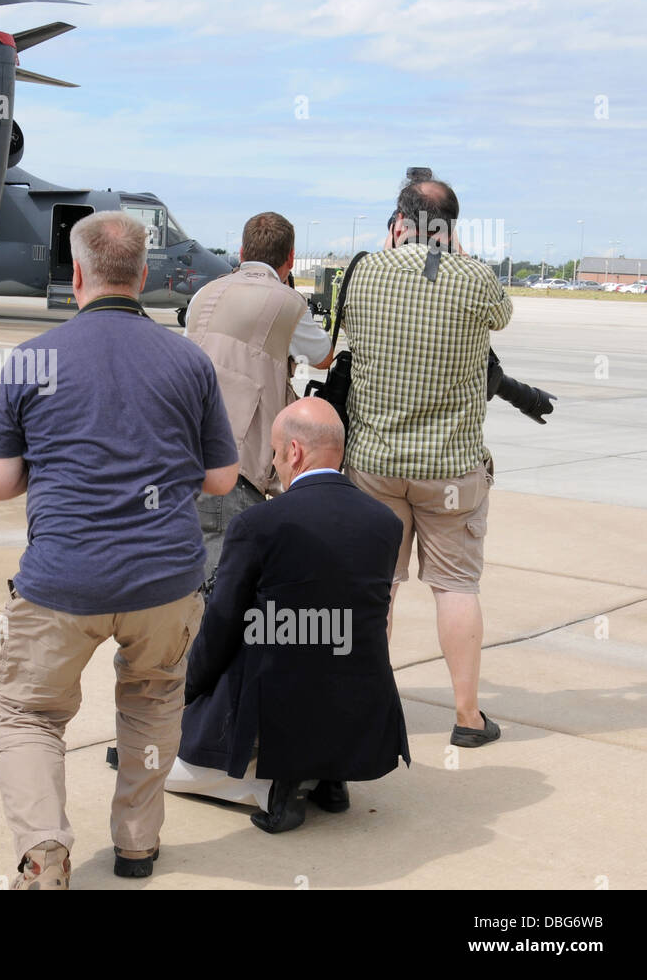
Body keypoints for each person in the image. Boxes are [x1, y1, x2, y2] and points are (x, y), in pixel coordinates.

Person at [0, 210, 239, 888]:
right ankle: (137, 847)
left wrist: (55, 463)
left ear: (76, 275)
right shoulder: (189, 360)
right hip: (165, 580)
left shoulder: (33, 357)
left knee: (29, 716)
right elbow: (221, 478)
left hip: (63, 578)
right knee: (152, 704)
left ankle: (45, 851)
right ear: (143, 276)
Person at [167, 397, 410, 832]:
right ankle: (328, 778)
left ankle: (278, 786)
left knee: (160, 765)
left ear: (294, 452)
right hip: (359, 706)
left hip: (281, 707)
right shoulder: (385, 522)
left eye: (276, 454)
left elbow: (221, 627)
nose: (276, 465)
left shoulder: (260, 523)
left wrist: (183, 696)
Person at [342, 175, 512, 747]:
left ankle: (363, 708)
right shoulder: (475, 279)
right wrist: (456, 257)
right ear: (450, 227)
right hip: (450, 468)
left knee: (377, 587)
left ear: (399, 222)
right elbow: (501, 315)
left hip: (375, 462)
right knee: (456, 588)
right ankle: (467, 717)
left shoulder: (364, 271)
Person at [185, 212, 333, 576]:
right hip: (236, 463)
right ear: (290, 259)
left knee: (189, 575)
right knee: (222, 581)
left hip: (183, 452)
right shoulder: (287, 303)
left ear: (240, 251)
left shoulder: (206, 294)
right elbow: (324, 357)